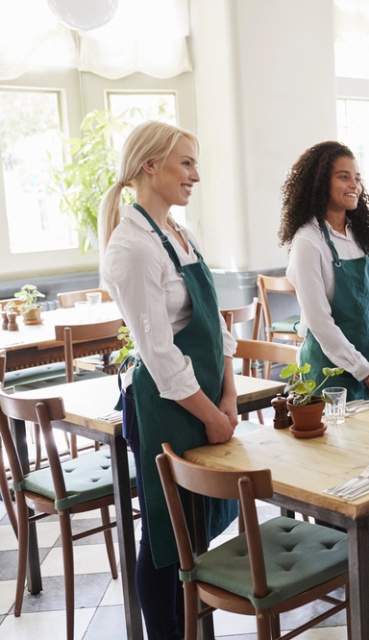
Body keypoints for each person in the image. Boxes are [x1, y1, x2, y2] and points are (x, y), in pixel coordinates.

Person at [100, 121, 239, 638]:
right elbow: (158, 355)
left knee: (196, 529)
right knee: (165, 535)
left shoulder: (181, 233)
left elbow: (216, 322)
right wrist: (211, 414)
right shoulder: (131, 248)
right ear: (149, 167)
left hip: (205, 403)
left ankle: (192, 628)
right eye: (186, 164)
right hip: (167, 408)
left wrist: (228, 395)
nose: (195, 176)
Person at [281, 141, 369, 404]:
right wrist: (363, 369)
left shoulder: (363, 237)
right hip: (326, 376)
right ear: (319, 182)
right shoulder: (308, 242)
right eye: (344, 177)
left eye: (357, 178)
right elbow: (320, 322)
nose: (354, 185)